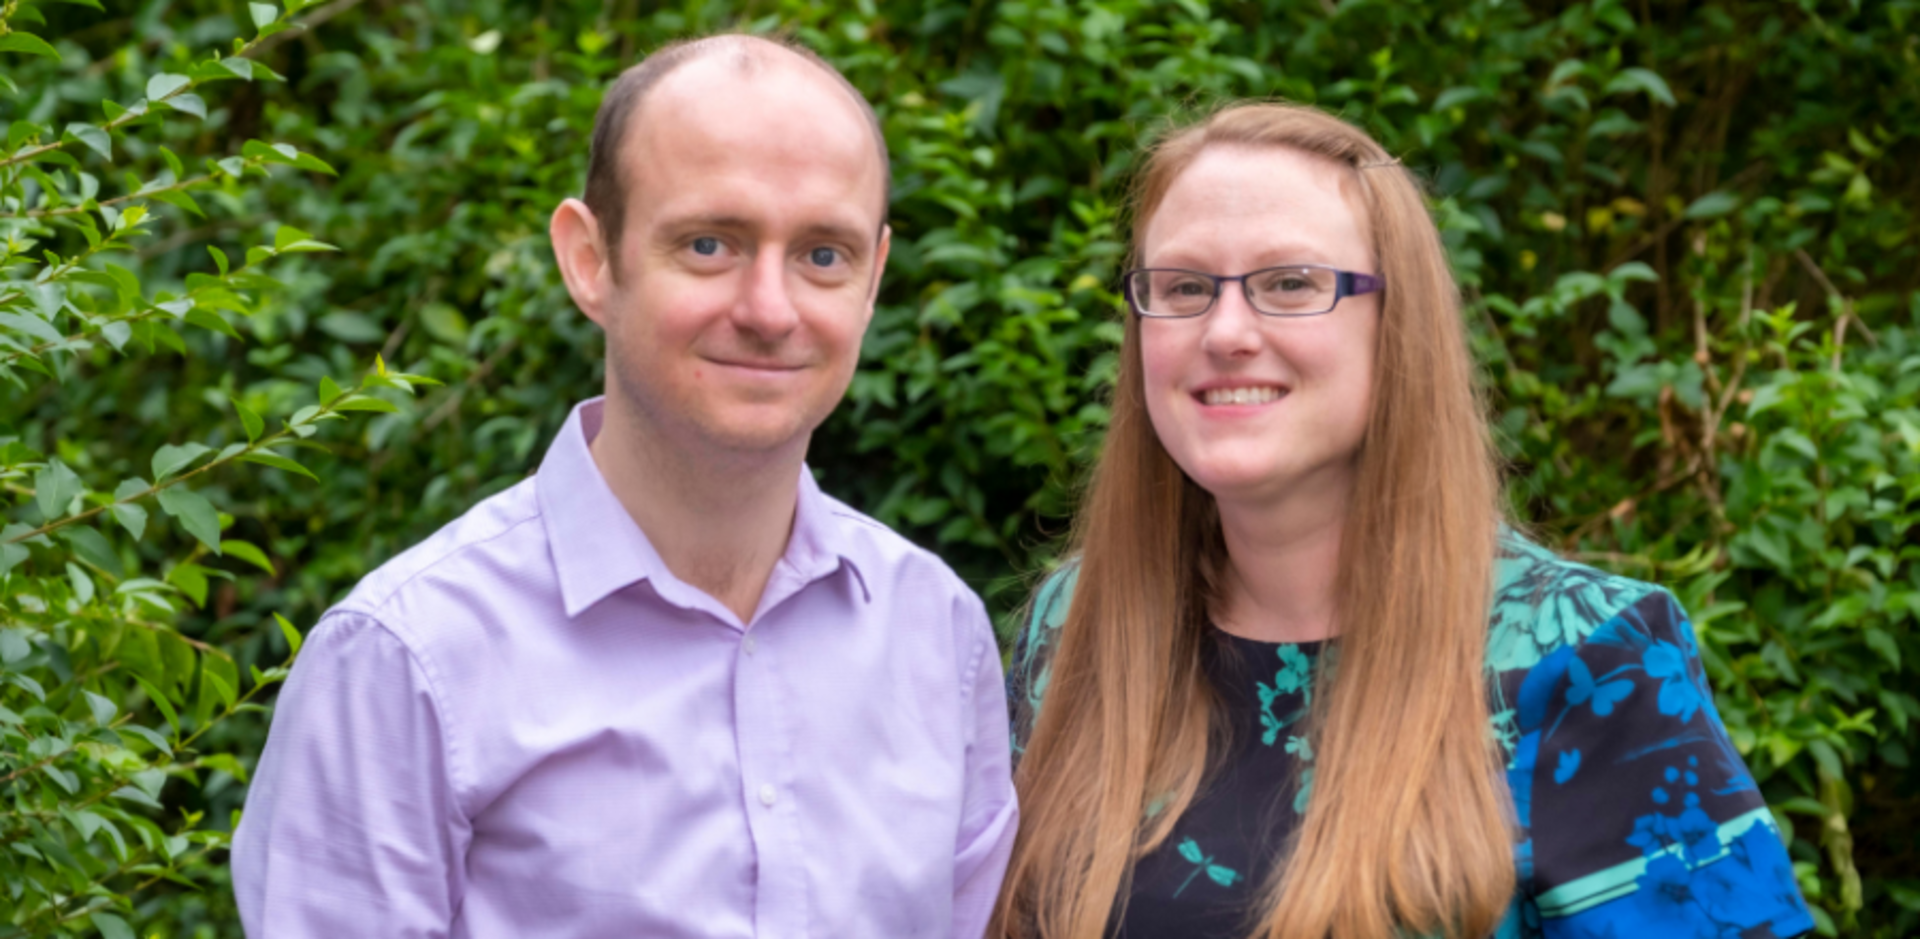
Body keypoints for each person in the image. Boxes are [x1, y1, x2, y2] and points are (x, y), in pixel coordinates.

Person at [232, 34, 1017, 938]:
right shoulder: (407, 661)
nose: (770, 308)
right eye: (710, 243)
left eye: (823, 255)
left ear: (874, 277)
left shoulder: (935, 635)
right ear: (590, 259)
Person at [992, 103, 1812, 939]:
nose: (1226, 330)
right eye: (1184, 288)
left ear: (1399, 327)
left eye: (1290, 283)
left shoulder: (1585, 661)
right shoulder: (1073, 628)